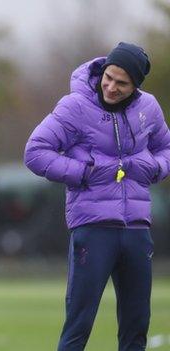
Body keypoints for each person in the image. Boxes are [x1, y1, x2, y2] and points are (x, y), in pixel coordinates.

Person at [24, 42, 170, 350]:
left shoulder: (149, 108)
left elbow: (165, 149)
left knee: (137, 325)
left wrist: (153, 168)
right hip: (92, 228)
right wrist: (83, 172)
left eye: (122, 83)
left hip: (136, 229)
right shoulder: (74, 106)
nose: (112, 87)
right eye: (109, 78)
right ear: (103, 71)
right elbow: (35, 152)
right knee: (79, 324)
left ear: (136, 87)